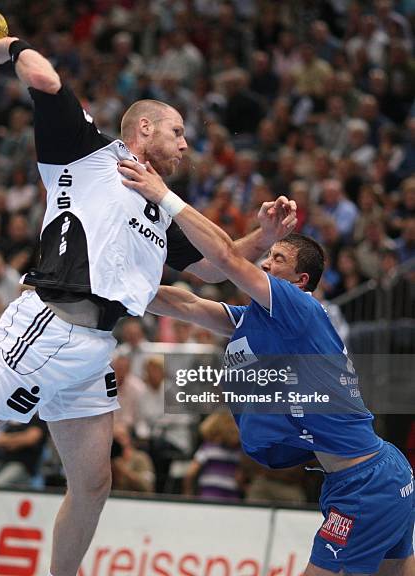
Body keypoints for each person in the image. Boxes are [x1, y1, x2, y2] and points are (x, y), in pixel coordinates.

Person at [0, 31, 296, 576]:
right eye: (177, 131)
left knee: (93, 486)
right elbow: (45, 80)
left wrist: (261, 236)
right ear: (144, 128)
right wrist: (9, 47)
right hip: (48, 328)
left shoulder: (161, 205)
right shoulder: (89, 154)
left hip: (93, 351)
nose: (187, 144)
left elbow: (215, 265)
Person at [117, 159, 414, 576]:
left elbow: (223, 258)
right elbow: (181, 302)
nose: (266, 263)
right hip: (366, 474)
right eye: (268, 255)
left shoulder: (299, 307)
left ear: (300, 281)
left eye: (277, 258)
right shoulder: (250, 319)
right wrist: (102, 282)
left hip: (366, 481)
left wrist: (161, 195)